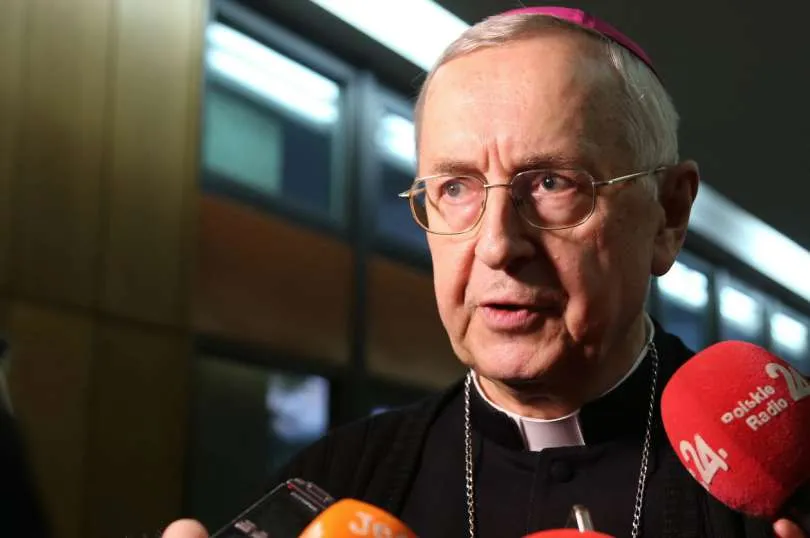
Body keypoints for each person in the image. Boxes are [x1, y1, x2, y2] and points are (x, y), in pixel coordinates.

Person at [164, 7, 806, 538]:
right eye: (454, 188)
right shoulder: (333, 483)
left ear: (668, 214)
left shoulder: (788, 487)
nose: (497, 246)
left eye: (552, 183)